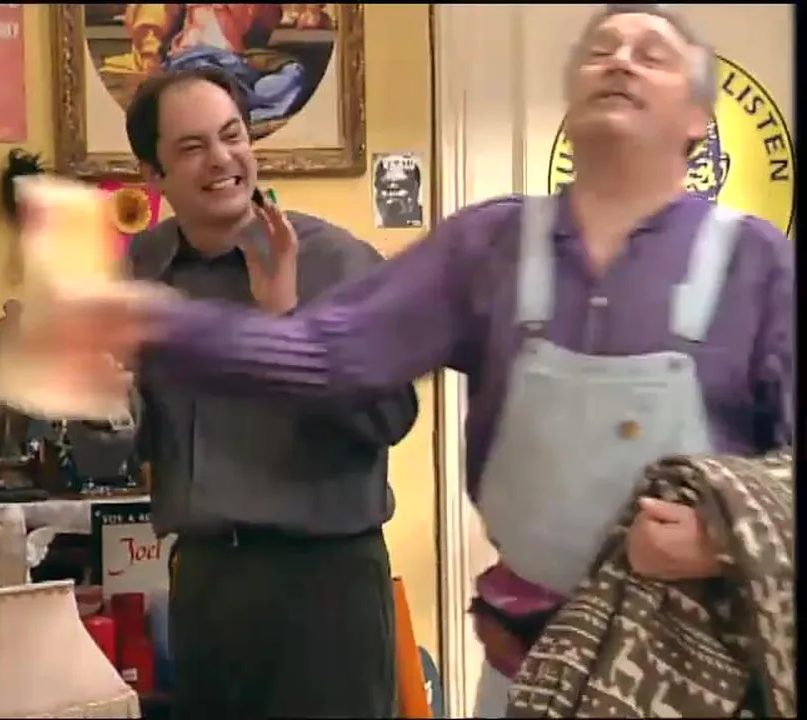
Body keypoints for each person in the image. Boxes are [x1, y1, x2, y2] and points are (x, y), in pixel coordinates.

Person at [39, 5, 792, 716]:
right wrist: (130, 339)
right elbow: (326, 357)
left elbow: (378, 409)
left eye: (651, 54)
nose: (620, 60)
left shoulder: (756, 264)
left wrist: (728, 536)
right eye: (600, 49)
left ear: (698, 119)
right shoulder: (491, 248)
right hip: (516, 667)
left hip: (690, 666)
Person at [121, 66, 418, 718]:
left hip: (325, 587)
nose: (221, 159)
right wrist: (97, 393)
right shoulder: (141, 271)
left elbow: (391, 416)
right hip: (204, 585)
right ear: (154, 173)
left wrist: (287, 324)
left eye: (232, 136)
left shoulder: (338, 262)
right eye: (192, 147)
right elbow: (130, 438)